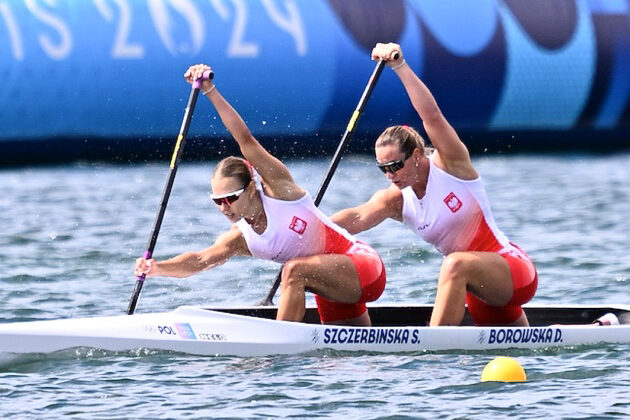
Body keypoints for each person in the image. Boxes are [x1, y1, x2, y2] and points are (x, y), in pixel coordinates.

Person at [134, 64, 386, 326]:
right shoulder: (240, 238)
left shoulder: (281, 192)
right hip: (330, 285)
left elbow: (245, 139)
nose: (225, 206)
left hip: (363, 267)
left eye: (231, 197)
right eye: (217, 201)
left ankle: (279, 349)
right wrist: (157, 268)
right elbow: (200, 260)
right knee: (348, 359)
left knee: (294, 270)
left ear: (251, 187)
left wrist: (209, 91)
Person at [331, 43, 538, 327]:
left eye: (395, 165)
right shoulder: (395, 199)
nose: (390, 174)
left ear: (416, 156)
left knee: (454, 263)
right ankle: (603, 327)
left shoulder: (451, 165)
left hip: (512, 270)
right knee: (519, 347)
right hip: (477, 285)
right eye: (383, 168)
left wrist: (399, 67)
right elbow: (354, 218)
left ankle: (433, 349)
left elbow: (432, 116)